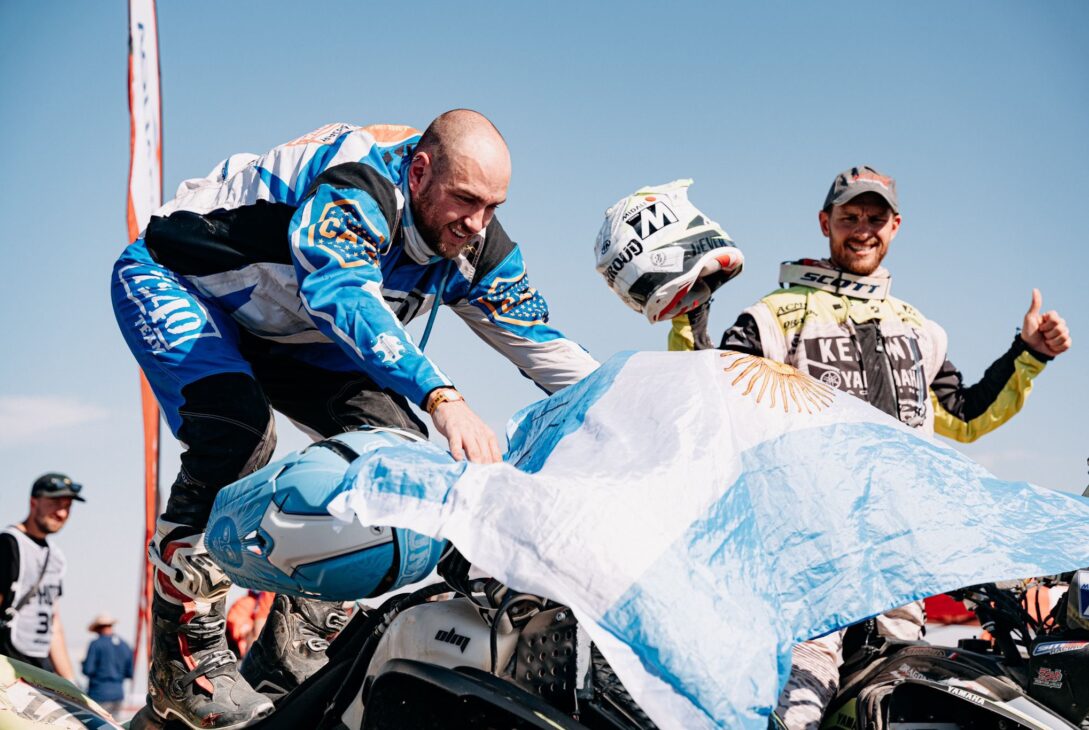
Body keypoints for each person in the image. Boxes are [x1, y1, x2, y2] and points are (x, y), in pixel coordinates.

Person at [111, 109, 598, 729]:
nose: (475, 224)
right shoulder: (361, 185)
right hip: (181, 280)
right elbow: (339, 292)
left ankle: (291, 653)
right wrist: (443, 397)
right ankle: (184, 662)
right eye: (465, 200)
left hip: (293, 330)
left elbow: (548, 350)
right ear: (419, 172)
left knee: (395, 458)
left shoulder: (477, 246)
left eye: (493, 206)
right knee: (237, 431)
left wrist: (634, 414)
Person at [664, 166, 1071, 728]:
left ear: (895, 226)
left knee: (904, 714)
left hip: (900, 580)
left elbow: (964, 416)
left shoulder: (918, 330)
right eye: (850, 217)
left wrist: (1028, 354)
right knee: (796, 712)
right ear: (825, 223)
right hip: (811, 571)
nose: (863, 230)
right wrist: (688, 314)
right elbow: (713, 393)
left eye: (875, 219)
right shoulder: (776, 314)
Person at [0, 473, 81, 683]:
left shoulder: (56, 557)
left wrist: (70, 682)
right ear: (33, 502)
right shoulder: (9, 544)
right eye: (55, 503)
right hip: (8, 666)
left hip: (40, 668)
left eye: (68, 506)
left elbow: (54, 623)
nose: (62, 513)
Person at [82, 613, 134, 718]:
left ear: (98, 628)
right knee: (114, 723)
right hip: (118, 694)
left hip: (99, 693)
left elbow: (88, 669)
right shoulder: (124, 645)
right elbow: (130, 672)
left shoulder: (96, 644)